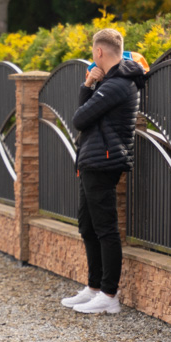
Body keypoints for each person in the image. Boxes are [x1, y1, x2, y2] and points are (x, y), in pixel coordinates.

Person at [60, 28, 146, 314]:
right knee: (87, 225)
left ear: (98, 52)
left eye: (92, 52)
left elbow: (80, 118)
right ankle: (94, 287)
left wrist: (88, 86)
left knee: (105, 229)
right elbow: (85, 118)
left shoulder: (118, 84)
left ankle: (109, 295)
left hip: (103, 162)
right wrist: (89, 83)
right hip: (92, 161)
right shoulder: (109, 82)